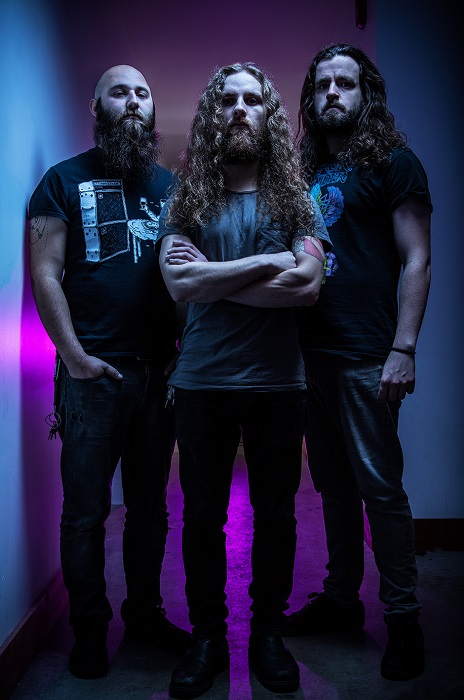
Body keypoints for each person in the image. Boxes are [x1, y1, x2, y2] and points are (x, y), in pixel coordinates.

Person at [156, 62, 331, 699]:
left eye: (251, 100)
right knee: (201, 518)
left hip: (278, 385)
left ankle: (267, 634)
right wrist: (269, 262)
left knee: (277, 516)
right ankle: (207, 637)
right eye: (226, 99)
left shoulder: (295, 199)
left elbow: (307, 286)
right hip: (202, 383)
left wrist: (216, 277)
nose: (238, 109)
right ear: (212, 114)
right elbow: (179, 283)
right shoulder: (187, 198)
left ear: (267, 114)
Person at [28, 65, 192, 680]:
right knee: (85, 512)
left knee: (151, 509)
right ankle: (90, 632)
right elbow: (45, 274)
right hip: (91, 376)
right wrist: (73, 357)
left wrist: (185, 351)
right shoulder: (61, 181)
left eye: (142, 93)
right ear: (96, 108)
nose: (133, 101)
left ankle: (144, 616)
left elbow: (190, 277)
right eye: (119, 92)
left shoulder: (174, 189)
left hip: (158, 375)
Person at [282, 44, 432, 682]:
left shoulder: (395, 164)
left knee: (380, 490)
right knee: (332, 487)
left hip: (367, 355)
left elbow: (417, 258)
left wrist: (404, 348)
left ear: (365, 94)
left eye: (345, 83)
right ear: (311, 98)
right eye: (323, 85)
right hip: (308, 357)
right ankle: (342, 600)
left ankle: (403, 620)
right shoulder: (303, 170)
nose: (333, 94)